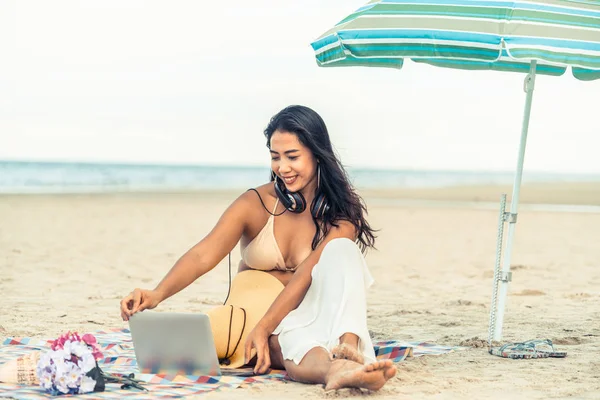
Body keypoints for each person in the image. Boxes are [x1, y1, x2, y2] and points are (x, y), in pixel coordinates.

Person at [119, 105, 397, 391]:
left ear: (317, 154)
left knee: (342, 252)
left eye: (292, 156)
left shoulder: (340, 216)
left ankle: (346, 352)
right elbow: (205, 253)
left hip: (306, 319)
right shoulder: (255, 203)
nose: (282, 167)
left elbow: (305, 277)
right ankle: (338, 368)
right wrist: (157, 293)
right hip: (257, 323)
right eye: (275, 157)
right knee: (287, 339)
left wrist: (265, 327)